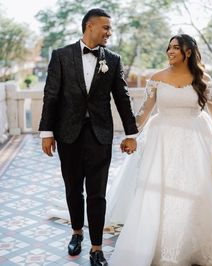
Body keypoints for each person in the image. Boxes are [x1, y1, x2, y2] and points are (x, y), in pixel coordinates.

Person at [107, 34, 212, 266]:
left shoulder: (203, 79)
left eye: (175, 47)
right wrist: (131, 136)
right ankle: (160, 244)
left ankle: (198, 244)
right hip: (162, 140)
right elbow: (144, 112)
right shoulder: (156, 79)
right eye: (169, 47)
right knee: (161, 189)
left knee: (199, 188)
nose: (170, 51)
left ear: (188, 52)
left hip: (197, 139)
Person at [39, 8, 138, 266]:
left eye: (110, 28)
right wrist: (47, 132)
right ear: (90, 26)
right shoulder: (60, 56)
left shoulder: (113, 59)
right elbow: (51, 95)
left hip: (100, 134)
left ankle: (96, 248)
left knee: (97, 193)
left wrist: (131, 133)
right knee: (73, 189)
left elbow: (122, 97)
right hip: (68, 134)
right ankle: (76, 232)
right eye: (105, 27)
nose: (109, 32)